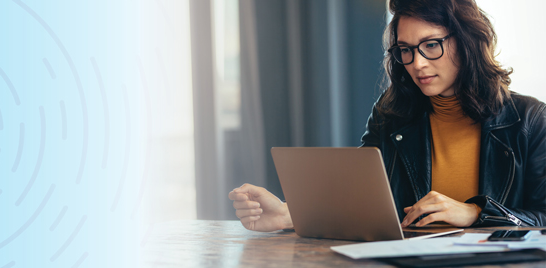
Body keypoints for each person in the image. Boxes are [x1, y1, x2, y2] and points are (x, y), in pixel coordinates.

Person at [229, 0, 546, 232]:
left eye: (431, 45)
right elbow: (361, 202)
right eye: (405, 50)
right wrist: (289, 214)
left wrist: (475, 212)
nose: (417, 63)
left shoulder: (530, 120)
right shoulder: (391, 115)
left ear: (467, 42)